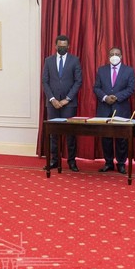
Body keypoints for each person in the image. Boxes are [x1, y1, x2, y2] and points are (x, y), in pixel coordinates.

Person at [42, 34, 82, 171]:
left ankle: (71, 161)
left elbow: (78, 81)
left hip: (69, 104)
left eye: (64, 46)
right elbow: (45, 82)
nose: (62, 48)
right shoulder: (48, 61)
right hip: (52, 103)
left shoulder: (74, 60)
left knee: (70, 134)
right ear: (55, 46)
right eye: (60, 46)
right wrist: (52, 99)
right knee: (53, 133)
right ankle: (54, 160)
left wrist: (67, 99)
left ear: (68, 46)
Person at [93, 47, 135, 174]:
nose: (114, 56)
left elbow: (131, 88)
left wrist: (117, 97)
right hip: (104, 108)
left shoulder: (129, 70)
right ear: (108, 56)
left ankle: (121, 163)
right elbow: (96, 88)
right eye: (112, 54)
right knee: (106, 137)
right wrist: (105, 97)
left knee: (121, 138)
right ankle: (108, 162)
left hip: (121, 108)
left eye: (117, 54)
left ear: (121, 56)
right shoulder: (101, 70)